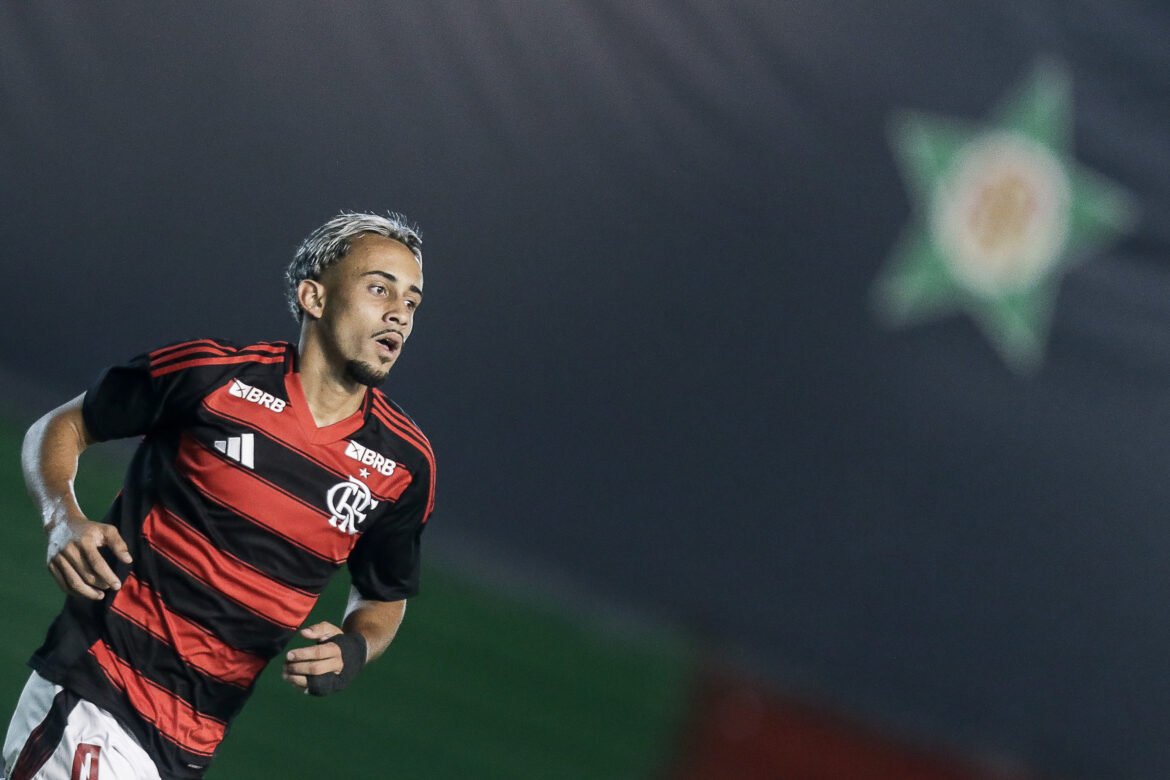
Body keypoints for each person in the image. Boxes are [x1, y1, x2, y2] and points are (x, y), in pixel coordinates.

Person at [1, 212, 436, 779]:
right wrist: (62, 517)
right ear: (314, 297)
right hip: (94, 697)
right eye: (379, 288)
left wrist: (355, 647)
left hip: (189, 746)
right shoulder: (213, 376)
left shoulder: (404, 463)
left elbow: (384, 593)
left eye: (412, 301)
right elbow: (62, 427)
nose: (399, 312)